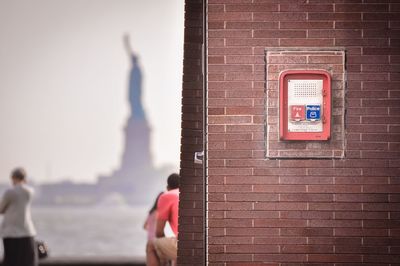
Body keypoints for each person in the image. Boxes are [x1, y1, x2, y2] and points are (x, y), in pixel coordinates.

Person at [0, 167, 38, 266]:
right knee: (28, 262)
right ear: (24, 178)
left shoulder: (9, 192)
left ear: (13, 178)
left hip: (10, 233)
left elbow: (1, 209)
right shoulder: (30, 192)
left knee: (11, 262)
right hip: (27, 232)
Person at [146, 173, 180, 266]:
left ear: (167, 187)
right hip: (201, 242)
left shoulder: (167, 196)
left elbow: (159, 231)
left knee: (151, 246)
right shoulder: (191, 194)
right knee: (176, 255)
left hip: (183, 244)